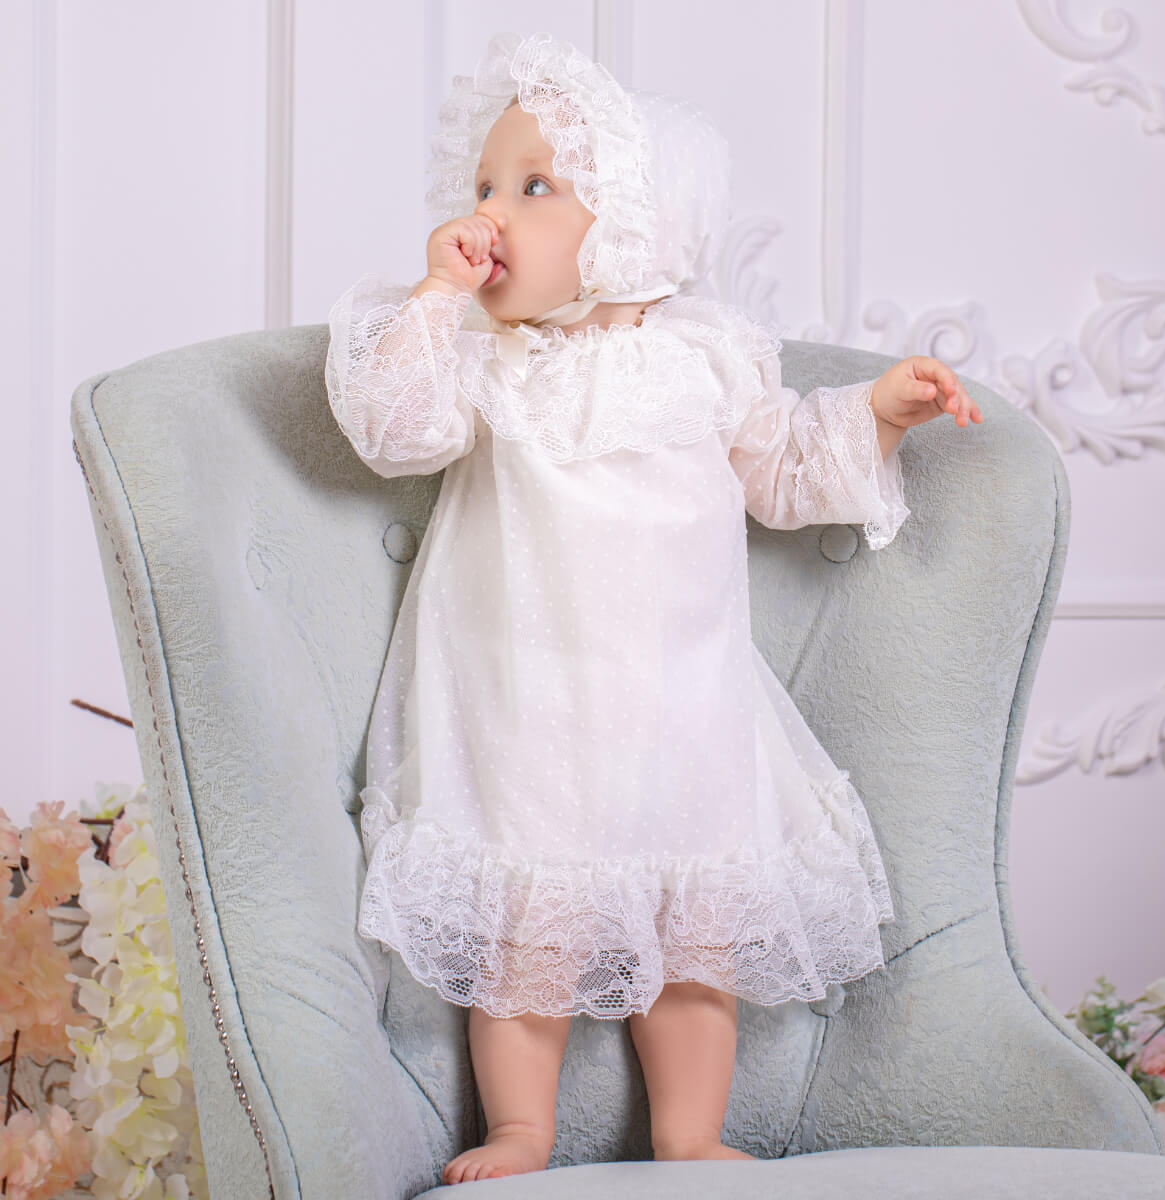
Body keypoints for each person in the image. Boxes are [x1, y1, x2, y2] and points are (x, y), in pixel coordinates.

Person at [324, 30, 983, 1188]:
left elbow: (778, 470)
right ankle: (521, 1128)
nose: (491, 210)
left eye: (532, 187)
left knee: (697, 948)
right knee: (528, 938)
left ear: (634, 226)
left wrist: (875, 413)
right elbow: (396, 425)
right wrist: (435, 292)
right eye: (484, 185)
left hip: (684, 702)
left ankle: (690, 1129)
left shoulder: (710, 356)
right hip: (528, 700)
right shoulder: (489, 358)